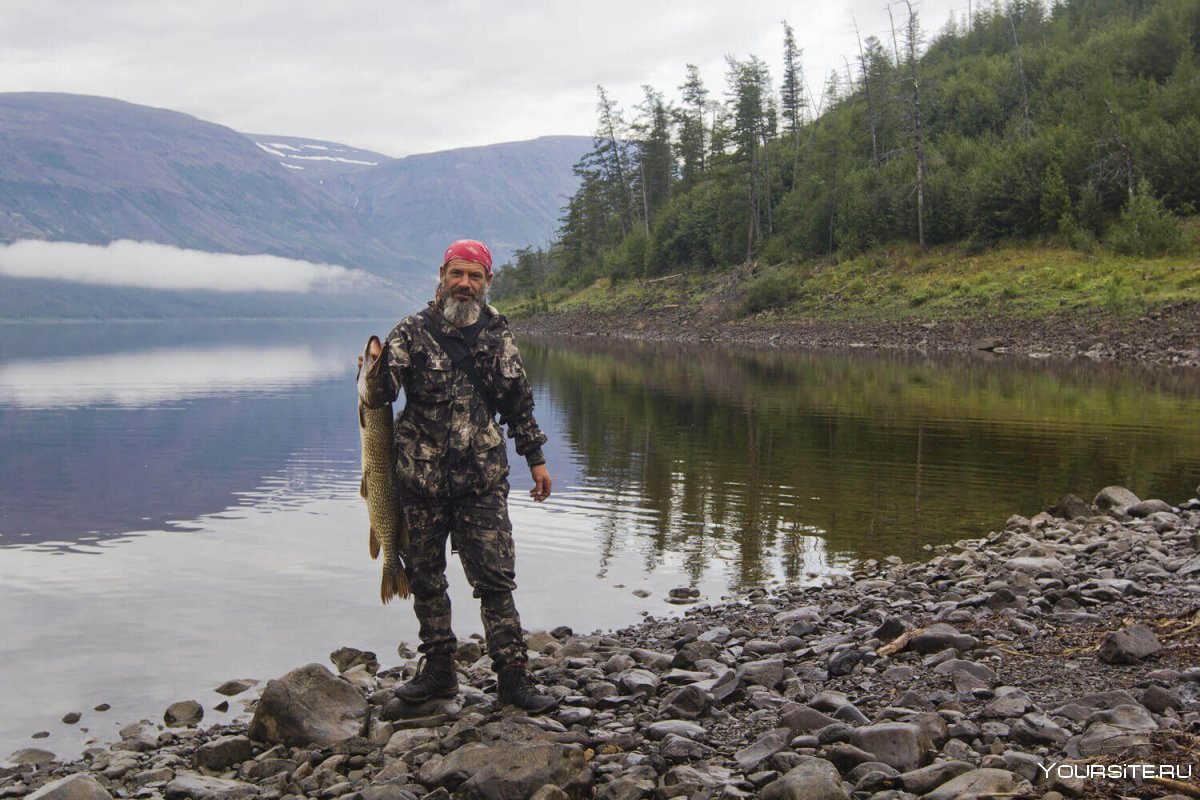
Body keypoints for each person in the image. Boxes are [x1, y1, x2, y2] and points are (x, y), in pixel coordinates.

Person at [358, 239, 557, 713]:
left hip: (482, 482)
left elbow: (518, 403)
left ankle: (513, 677)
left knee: (495, 582)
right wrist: (373, 371)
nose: (464, 284)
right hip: (418, 481)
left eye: (474, 277)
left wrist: (536, 459)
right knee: (426, 578)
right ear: (442, 277)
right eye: (457, 275)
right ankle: (439, 671)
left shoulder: (498, 334)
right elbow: (384, 392)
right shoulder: (411, 331)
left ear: (487, 283)